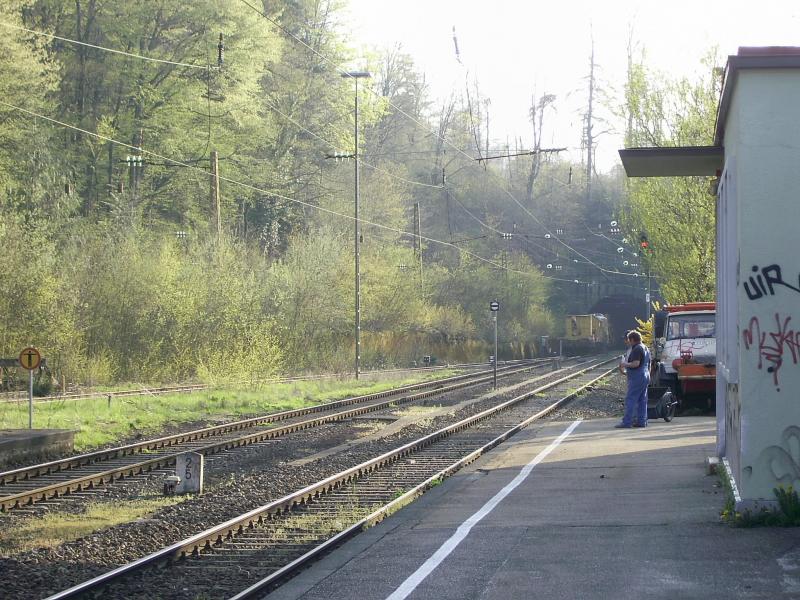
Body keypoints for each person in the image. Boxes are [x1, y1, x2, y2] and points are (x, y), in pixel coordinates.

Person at [615, 330, 651, 428]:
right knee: (642, 400)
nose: (628, 342)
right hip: (645, 375)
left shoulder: (636, 349)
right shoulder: (645, 348)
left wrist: (624, 364)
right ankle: (642, 421)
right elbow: (648, 365)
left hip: (637, 377)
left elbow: (636, 363)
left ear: (632, 339)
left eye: (629, 340)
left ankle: (627, 422)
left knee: (630, 399)